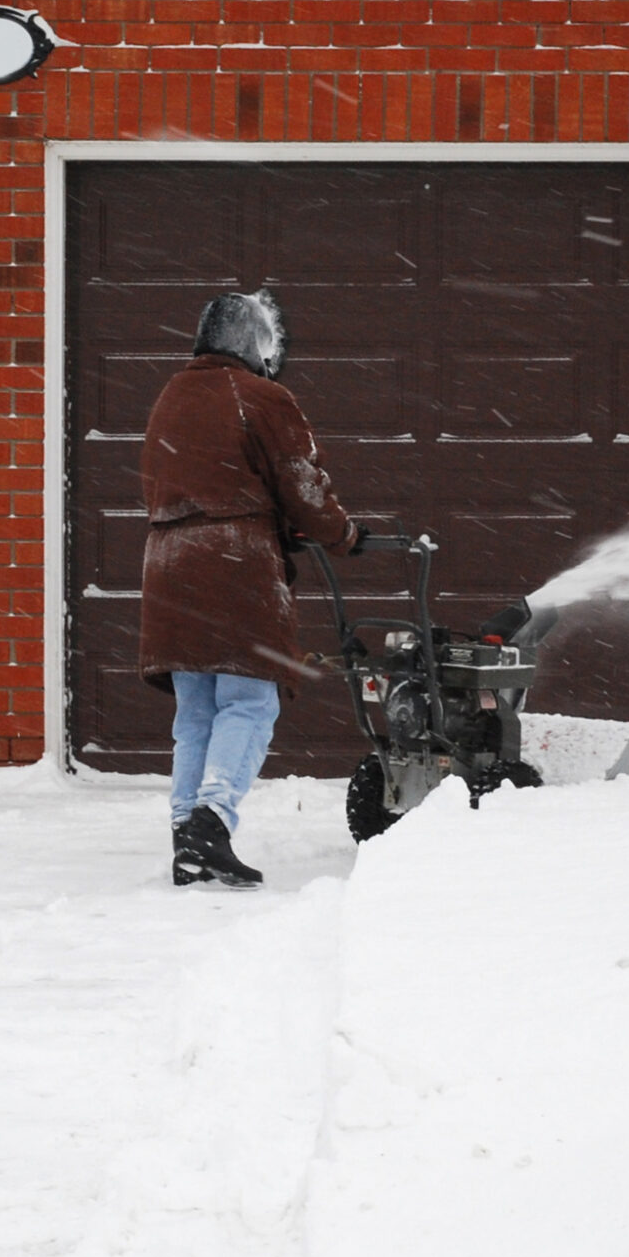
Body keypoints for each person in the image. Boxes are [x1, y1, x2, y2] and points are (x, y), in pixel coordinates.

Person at [138, 288, 359, 887]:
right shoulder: (261, 397)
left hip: (168, 563)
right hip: (234, 565)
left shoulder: (170, 396)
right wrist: (343, 534)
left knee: (196, 712)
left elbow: (162, 481)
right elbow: (301, 484)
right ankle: (211, 822)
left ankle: (187, 834)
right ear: (255, 344)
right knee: (248, 701)